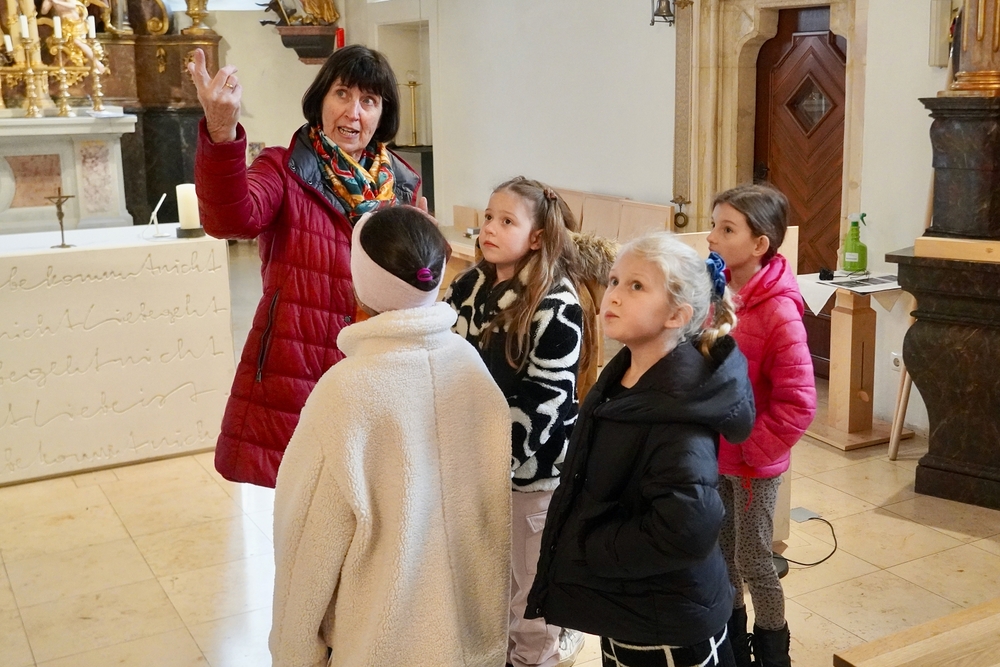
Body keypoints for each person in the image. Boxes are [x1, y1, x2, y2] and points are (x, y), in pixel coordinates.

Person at [269, 207, 512, 667]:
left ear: (360, 281)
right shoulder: (471, 368)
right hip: (475, 641)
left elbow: (306, 544)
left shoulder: (346, 392)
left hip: (382, 645)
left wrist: (294, 653)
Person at [188, 44, 425, 487]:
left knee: (372, 497)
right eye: (342, 94)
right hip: (299, 363)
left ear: (382, 114)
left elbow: (411, 288)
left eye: (369, 100)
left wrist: (425, 257)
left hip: (376, 368)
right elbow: (229, 220)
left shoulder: (402, 185)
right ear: (320, 100)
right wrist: (222, 132)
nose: (354, 113)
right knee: (305, 503)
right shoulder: (282, 167)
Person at [525, 232, 756, 667]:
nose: (613, 295)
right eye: (614, 281)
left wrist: (590, 547)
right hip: (630, 604)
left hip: (664, 623)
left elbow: (686, 529)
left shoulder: (676, 412)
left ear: (676, 315)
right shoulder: (626, 377)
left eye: (636, 286)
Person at [444, 177, 586, 667]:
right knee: (489, 585)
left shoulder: (557, 304)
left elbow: (544, 403)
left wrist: (489, 459)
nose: (490, 228)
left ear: (538, 237)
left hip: (532, 476)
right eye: (488, 217)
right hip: (473, 465)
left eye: (507, 221)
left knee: (530, 598)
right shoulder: (469, 284)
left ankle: (537, 657)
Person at [706, 184, 817, 667]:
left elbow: (799, 402)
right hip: (718, 455)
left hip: (753, 465)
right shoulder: (718, 296)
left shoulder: (779, 311)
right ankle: (732, 648)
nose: (712, 237)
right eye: (713, 225)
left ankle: (773, 652)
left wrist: (752, 447)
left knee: (753, 560)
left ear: (759, 244)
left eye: (726, 229)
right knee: (721, 556)